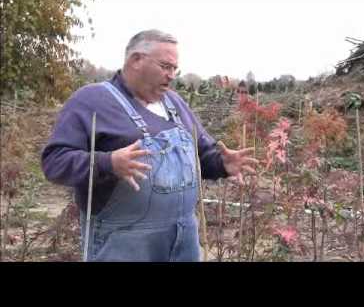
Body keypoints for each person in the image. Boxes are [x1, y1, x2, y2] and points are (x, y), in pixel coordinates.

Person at [42, 29, 258, 262]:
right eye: (165, 66)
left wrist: (221, 162)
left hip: (183, 241)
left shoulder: (174, 102)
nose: (172, 75)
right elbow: (54, 162)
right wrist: (108, 163)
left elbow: (202, 154)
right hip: (124, 244)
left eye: (174, 69)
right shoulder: (91, 100)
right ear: (136, 60)